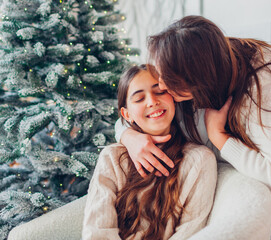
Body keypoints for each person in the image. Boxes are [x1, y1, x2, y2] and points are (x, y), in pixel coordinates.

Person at [115, 16, 271, 240]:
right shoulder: (178, 75)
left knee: (256, 226)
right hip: (214, 152)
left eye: (169, 81)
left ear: (198, 81)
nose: (162, 87)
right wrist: (128, 136)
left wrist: (219, 136)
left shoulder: (269, 81)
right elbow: (133, 113)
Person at [82, 64, 217, 240]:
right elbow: (97, 230)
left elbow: (191, 231)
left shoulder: (199, 160)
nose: (152, 101)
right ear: (126, 114)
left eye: (160, 92)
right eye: (139, 99)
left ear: (173, 96)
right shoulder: (112, 157)